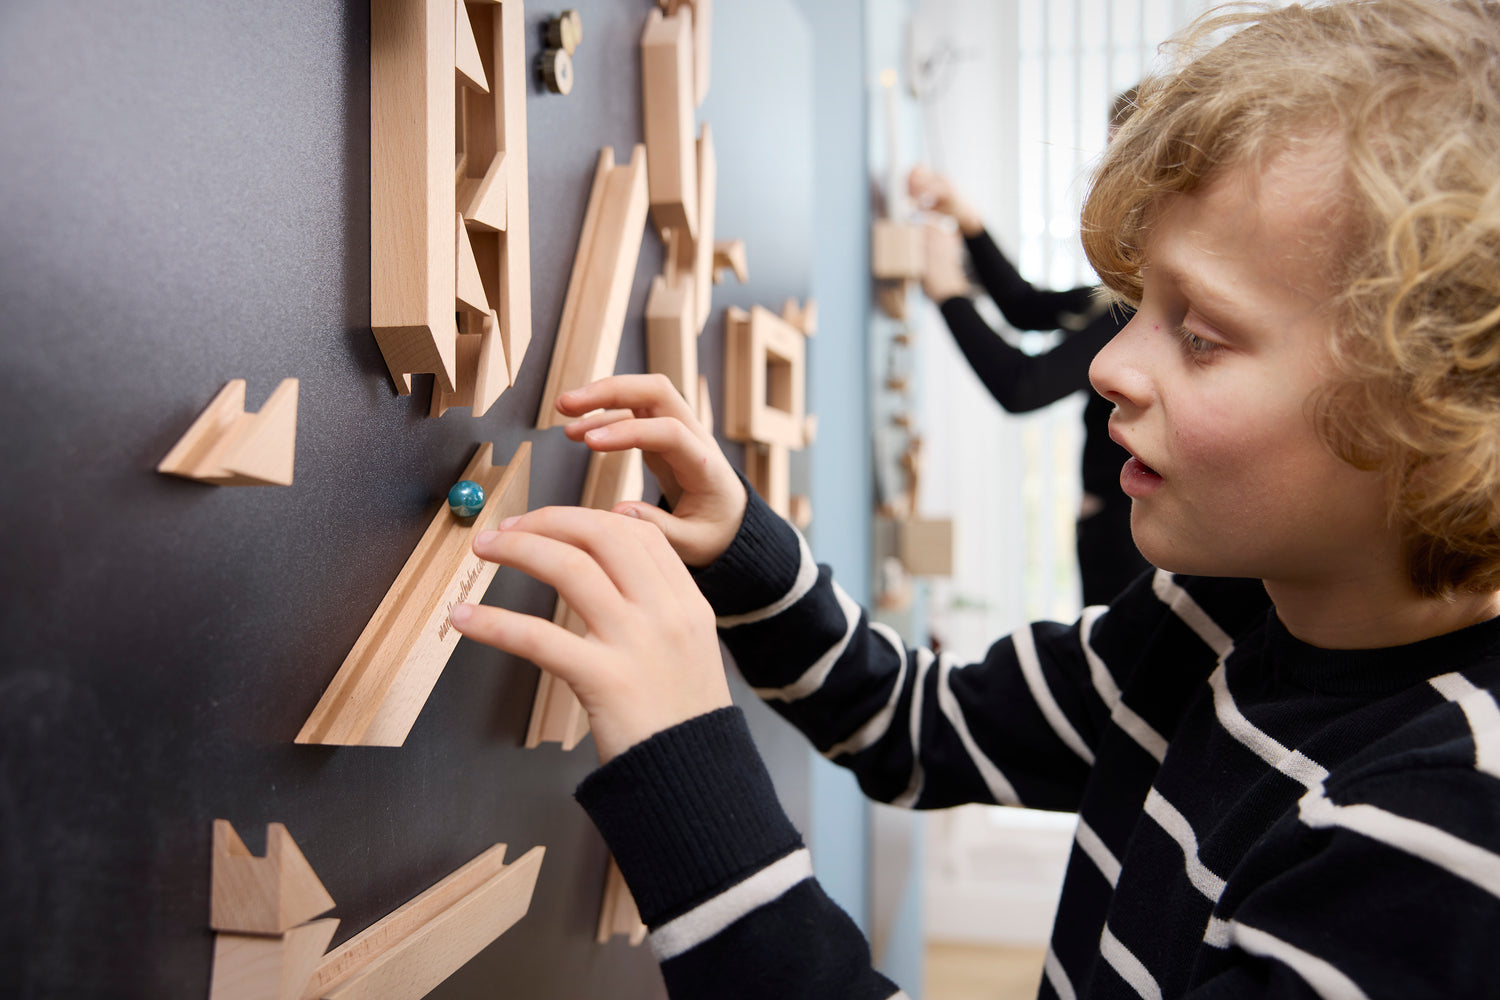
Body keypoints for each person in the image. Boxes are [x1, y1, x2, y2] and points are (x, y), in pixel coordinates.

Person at [452, 2, 1500, 996]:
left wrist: (686, 770)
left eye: (1199, 333)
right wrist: (742, 547)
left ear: (1433, 411)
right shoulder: (1206, 619)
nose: (1109, 368)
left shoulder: (1438, 841)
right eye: (1141, 305)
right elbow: (912, 726)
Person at [908, 91, 1151, 607]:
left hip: (1127, 543)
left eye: (1120, 162)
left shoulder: (1145, 302)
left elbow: (1023, 386)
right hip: (1117, 534)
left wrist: (949, 292)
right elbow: (1028, 307)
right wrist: (967, 220)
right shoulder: (1128, 293)